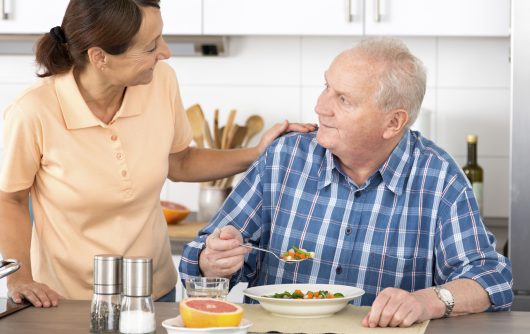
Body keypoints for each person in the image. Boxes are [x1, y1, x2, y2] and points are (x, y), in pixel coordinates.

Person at [0, 0, 315, 308]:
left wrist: (257, 152)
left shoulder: (160, 81)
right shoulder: (33, 111)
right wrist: (20, 277)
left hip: (154, 291)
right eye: (151, 47)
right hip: (68, 300)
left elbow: (180, 161)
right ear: (100, 57)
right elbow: (10, 198)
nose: (165, 52)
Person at [180, 37, 513, 327]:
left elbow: (490, 278)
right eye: (327, 87)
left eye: (344, 99)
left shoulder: (437, 178)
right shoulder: (284, 158)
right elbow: (199, 255)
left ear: (393, 122)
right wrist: (214, 261)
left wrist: (427, 301)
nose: (320, 106)